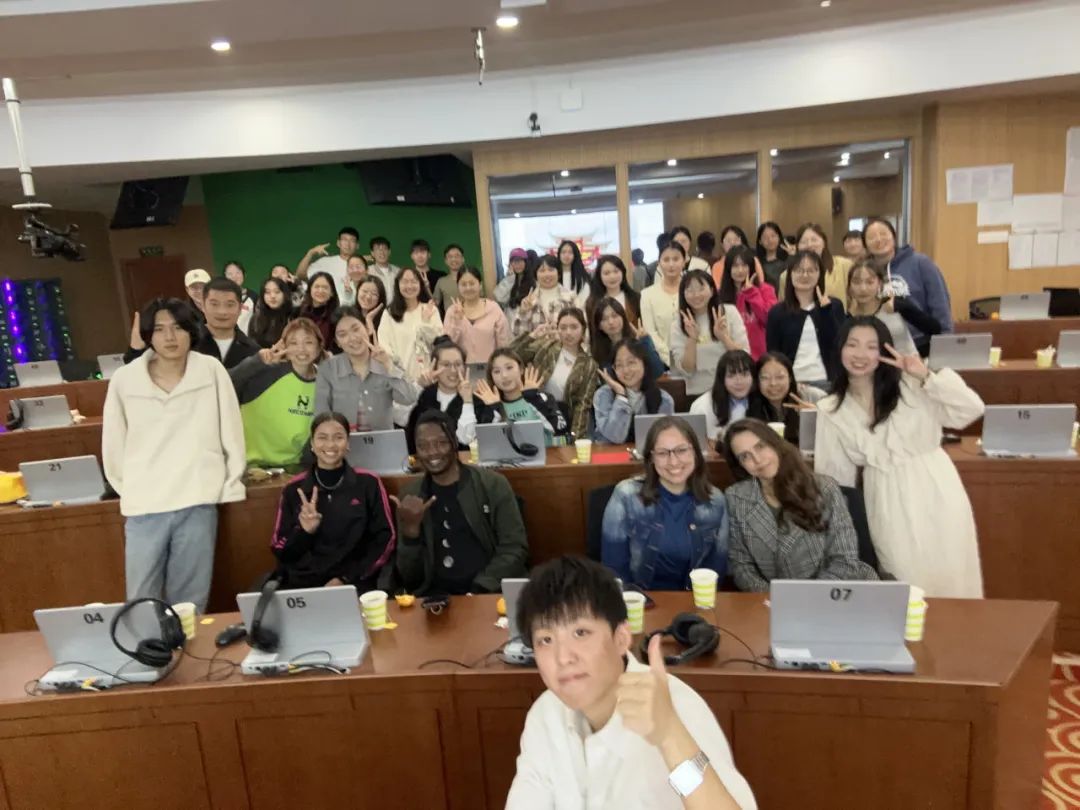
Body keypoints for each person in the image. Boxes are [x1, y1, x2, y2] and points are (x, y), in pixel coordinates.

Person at [507, 555, 756, 810]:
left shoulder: (678, 708)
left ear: (621, 638)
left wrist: (670, 735)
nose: (563, 658)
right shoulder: (546, 714)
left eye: (580, 633)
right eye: (546, 640)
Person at [814, 317, 985, 597]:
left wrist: (925, 375)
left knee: (952, 575)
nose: (860, 354)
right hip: (885, 497)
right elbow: (833, 478)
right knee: (904, 580)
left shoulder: (912, 383)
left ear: (884, 351)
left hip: (936, 487)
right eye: (852, 345)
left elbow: (971, 410)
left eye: (871, 347)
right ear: (839, 348)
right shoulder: (830, 408)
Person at [103, 298, 246, 613]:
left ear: (191, 331)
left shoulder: (210, 370)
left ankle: (185, 647)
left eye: (178, 327)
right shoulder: (125, 379)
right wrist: (131, 489)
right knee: (141, 599)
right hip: (145, 505)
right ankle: (147, 646)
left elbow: (232, 431)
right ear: (148, 335)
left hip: (197, 500)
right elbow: (113, 443)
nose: (170, 337)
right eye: (159, 329)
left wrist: (228, 483)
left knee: (190, 601)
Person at [723, 419, 878, 592]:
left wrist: (807, 598)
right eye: (745, 456)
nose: (757, 459)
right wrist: (773, 597)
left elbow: (845, 559)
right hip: (772, 598)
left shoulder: (825, 489)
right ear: (740, 465)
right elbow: (741, 565)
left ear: (775, 444)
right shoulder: (736, 497)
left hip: (833, 591)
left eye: (760, 446)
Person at [392, 410, 529, 596]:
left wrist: (481, 587)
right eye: (423, 446)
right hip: (435, 598)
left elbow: (514, 548)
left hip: (488, 592)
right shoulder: (410, 496)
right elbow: (410, 578)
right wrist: (410, 534)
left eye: (441, 443)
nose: (432, 452)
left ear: (455, 442)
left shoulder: (492, 484)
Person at [270, 411, 395, 591]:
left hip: (355, 582)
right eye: (322, 437)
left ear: (348, 443)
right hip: (305, 585)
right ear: (312, 444)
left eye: (338, 437)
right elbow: (281, 550)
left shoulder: (368, 483)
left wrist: (346, 578)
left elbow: (385, 539)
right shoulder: (293, 489)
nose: (330, 444)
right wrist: (304, 532)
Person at [601, 416, 730, 590]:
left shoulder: (715, 501)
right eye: (662, 453)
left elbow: (716, 567)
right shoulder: (626, 496)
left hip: (694, 599)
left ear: (695, 453)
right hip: (638, 598)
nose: (673, 461)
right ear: (651, 458)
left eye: (681, 450)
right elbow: (615, 571)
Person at [229, 318, 321, 469]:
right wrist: (258, 361)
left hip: (294, 468)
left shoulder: (324, 383)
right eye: (293, 343)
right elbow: (225, 384)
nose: (301, 349)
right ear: (284, 347)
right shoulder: (266, 372)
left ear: (318, 347)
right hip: (251, 467)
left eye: (308, 342)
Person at [316, 306, 417, 432]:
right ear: (337, 342)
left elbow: (409, 398)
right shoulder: (328, 369)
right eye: (343, 335)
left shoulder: (389, 361)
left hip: (383, 441)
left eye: (356, 329)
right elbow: (320, 415)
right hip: (344, 442)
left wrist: (388, 366)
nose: (352, 338)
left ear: (367, 328)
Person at [862, 216, 954, 353]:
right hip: (883, 347)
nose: (879, 239)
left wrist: (945, 342)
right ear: (865, 245)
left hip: (922, 343)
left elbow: (940, 304)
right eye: (872, 237)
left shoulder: (920, 262)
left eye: (883, 233)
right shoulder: (865, 271)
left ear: (894, 236)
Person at [512, 307, 598, 440]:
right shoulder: (546, 346)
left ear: (583, 330)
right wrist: (532, 336)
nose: (568, 332)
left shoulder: (589, 364)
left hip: (562, 418)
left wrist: (575, 438)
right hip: (534, 409)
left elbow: (582, 405)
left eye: (574, 327)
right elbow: (511, 357)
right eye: (563, 327)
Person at [765, 250, 845, 389]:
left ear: (820, 274)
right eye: (799, 270)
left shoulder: (834, 306)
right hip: (791, 383)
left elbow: (839, 345)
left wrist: (826, 312)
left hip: (826, 382)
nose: (805, 275)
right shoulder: (777, 312)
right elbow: (773, 353)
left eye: (811, 270)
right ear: (790, 274)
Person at [669, 269, 749, 397]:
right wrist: (692, 339)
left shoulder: (729, 312)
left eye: (701, 289)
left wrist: (724, 338)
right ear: (683, 294)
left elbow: (745, 357)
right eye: (690, 290)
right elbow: (687, 370)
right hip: (697, 393)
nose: (696, 295)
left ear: (712, 290)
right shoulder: (679, 323)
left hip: (731, 389)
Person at [474, 348, 570, 445]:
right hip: (507, 455)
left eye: (509, 368)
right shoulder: (490, 405)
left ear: (521, 369)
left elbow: (560, 428)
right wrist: (494, 408)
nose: (504, 375)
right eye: (497, 371)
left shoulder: (542, 397)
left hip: (546, 453)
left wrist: (533, 399)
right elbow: (487, 442)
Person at [846, 258, 941, 357]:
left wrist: (903, 307)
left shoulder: (894, 305)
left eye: (870, 282)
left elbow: (935, 328)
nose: (863, 288)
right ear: (849, 286)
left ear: (880, 284)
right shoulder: (846, 316)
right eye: (856, 282)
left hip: (908, 363)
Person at [593, 339, 674, 444]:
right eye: (619, 365)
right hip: (610, 453)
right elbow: (615, 437)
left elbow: (665, 439)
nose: (626, 370)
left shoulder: (664, 399)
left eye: (631, 363)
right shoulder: (604, 395)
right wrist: (621, 397)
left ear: (644, 363)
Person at [377, 267, 444, 395]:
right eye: (405, 281)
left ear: (420, 284)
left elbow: (439, 341)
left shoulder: (430, 309)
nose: (409, 286)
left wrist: (425, 323)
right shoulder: (389, 313)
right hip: (401, 382)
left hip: (430, 379)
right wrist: (399, 373)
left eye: (414, 281)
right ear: (398, 285)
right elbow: (384, 346)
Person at [404, 338, 478, 451]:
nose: (453, 370)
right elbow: (400, 418)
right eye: (446, 364)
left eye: (458, 364)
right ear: (434, 367)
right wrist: (419, 386)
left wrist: (467, 401)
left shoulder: (476, 401)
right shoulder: (424, 396)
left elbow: (467, 440)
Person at [443, 266, 511, 368]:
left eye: (472, 283)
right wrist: (457, 321)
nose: (468, 288)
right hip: (461, 370)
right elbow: (447, 345)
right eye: (463, 284)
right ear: (458, 286)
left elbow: (503, 343)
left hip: (491, 369)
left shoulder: (494, 309)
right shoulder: (452, 311)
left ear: (480, 285)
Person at [747, 351, 819, 447]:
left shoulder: (811, 396)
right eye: (765, 378)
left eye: (780, 377)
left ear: (790, 378)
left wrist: (816, 415)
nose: (773, 383)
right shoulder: (748, 404)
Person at [717, 246, 777, 360]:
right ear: (728, 269)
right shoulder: (720, 295)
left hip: (761, 358)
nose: (740, 270)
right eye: (735, 266)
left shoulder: (766, 290)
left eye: (744, 265)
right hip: (729, 358)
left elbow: (769, 320)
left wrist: (752, 293)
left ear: (751, 267)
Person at [777, 223, 852, 311]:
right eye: (804, 242)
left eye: (814, 240)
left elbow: (854, 300)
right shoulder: (786, 275)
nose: (809, 245)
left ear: (824, 243)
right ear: (798, 246)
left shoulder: (844, 265)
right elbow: (784, 306)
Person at [591, 297, 666, 378]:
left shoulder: (638, 342)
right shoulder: (599, 352)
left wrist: (645, 341)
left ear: (623, 317)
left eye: (614, 316)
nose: (611, 322)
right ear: (599, 326)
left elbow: (658, 372)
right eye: (604, 319)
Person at [689, 349, 754, 442]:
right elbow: (695, 443)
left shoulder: (763, 400)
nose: (739, 382)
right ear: (722, 379)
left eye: (745, 374)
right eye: (731, 376)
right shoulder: (702, 406)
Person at [640, 241, 687, 366]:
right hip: (661, 363)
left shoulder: (693, 291)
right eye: (666, 260)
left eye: (676, 259)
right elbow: (650, 332)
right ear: (659, 263)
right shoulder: (647, 295)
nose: (671, 264)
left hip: (694, 359)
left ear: (684, 261)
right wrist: (671, 360)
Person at [510, 255, 577, 338]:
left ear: (559, 273)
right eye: (542, 271)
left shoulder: (571, 298)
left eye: (551, 270)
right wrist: (523, 312)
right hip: (537, 346)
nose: (547, 274)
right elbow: (517, 334)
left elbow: (580, 331)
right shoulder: (530, 300)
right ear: (536, 275)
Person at [296, 226, 359, 300]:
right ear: (338, 243)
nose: (348, 244)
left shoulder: (361, 268)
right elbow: (300, 275)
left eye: (352, 240)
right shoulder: (325, 262)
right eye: (344, 239)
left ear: (357, 246)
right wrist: (310, 253)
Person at [584, 254, 641, 328]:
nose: (612, 276)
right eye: (606, 273)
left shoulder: (636, 298)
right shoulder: (592, 302)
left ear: (623, 272)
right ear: (599, 276)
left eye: (616, 271)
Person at [298, 271, 341, 352]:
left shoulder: (338, 316)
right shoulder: (299, 313)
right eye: (317, 287)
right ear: (310, 290)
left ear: (332, 293)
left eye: (325, 287)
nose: (320, 291)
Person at [248, 277, 295, 349]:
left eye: (277, 292)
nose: (272, 296)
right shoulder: (256, 318)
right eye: (267, 292)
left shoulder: (294, 316)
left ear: (285, 294)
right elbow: (251, 346)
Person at [754, 221, 789, 293]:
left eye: (773, 236)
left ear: (779, 237)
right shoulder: (757, 263)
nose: (770, 240)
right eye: (765, 237)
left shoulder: (788, 259)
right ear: (760, 241)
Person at [494, 247, 532, 312]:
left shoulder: (532, 279)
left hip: (527, 314)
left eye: (520, 261)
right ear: (510, 264)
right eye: (514, 261)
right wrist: (509, 279)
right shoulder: (508, 279)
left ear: (526, 262)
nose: (517, 264)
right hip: (510, 315)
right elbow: (499, 298)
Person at [223, 260, 256, 334]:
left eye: (238, 272)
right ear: (225, 276)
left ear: (244, 275)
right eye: (230, 274)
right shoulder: (220, 297)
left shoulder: (253, 296)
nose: (234, 276)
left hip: (248, 339)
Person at [432, 243, 467, 312]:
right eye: (450, 257)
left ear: (463, 259)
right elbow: (434, 304)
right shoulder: (441, 281)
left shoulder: (471, 279)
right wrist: (426, 287)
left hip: (472, 317)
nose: (453, 259)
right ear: (446, 261)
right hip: (450, 318)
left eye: (457, 256)